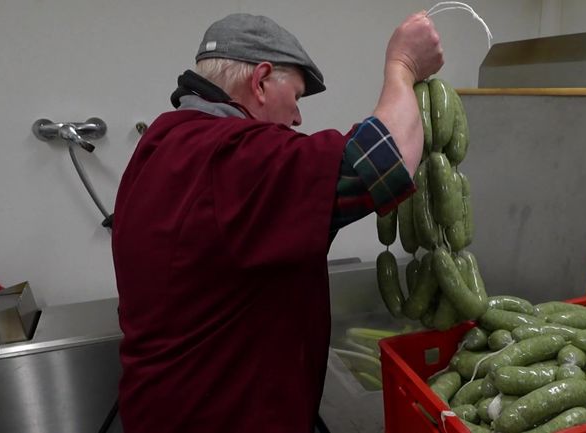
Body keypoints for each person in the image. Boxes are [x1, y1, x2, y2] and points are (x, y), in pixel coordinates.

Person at [111, 11, 443, 433]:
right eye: (298, 96)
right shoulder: (229, 157)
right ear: (262, 81)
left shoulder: (164, 139)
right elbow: (383, 161)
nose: (299, 118)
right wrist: (403, 66)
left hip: (166, 407)